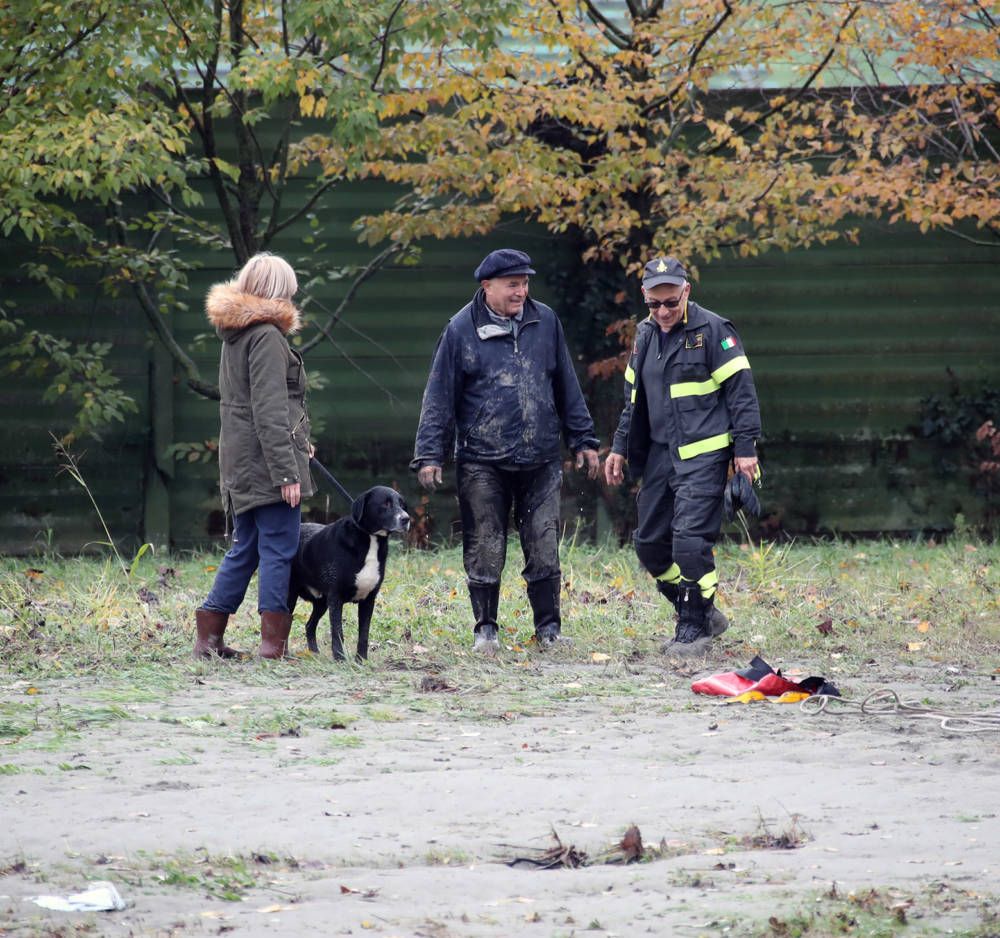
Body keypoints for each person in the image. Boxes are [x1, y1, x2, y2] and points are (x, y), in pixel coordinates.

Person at [412, 248, 600, 654]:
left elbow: (566, 383)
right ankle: (486, 630)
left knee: (544, 544)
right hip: (482, 460)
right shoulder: (460, 328)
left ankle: (549, 630)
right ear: (487, 286)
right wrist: (430, 454)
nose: (521, 292)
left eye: (525, 283)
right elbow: (440, 396)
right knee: (485, 545)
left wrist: (583, 440)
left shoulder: (545, 320)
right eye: (513, 284)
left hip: (542, 456)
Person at [605, 256, 761, 656]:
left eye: (671, 302)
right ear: (645, 298)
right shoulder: (644, 334)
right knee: (649, 545)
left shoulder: (714, 331)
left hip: (704, 455)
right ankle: (700, 610)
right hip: (660, 455)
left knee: (690, 542)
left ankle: (694, 628)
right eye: (654, 304)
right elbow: (632, 399)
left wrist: (745, 450)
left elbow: (741, 394)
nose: (663, 311)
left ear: (686, 292)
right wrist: (619, 447)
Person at [193, 253, 315, 660]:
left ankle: (208, 640)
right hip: (267, 464)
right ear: (277, 292)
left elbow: (251, 408)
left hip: (243, 459)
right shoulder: (265, 336)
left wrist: (301, 443)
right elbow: (268, 409)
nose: (294, 298)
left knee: (245, 548)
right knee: (279, 547)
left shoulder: (236, 334)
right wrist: (286, 471)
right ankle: (272, 646)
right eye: (290, 291)